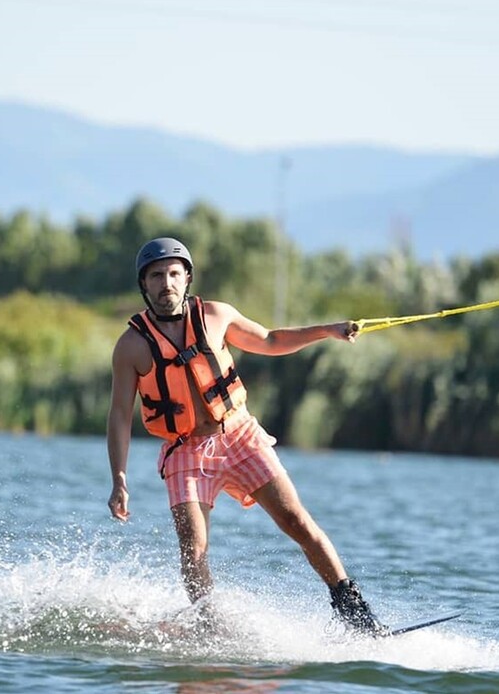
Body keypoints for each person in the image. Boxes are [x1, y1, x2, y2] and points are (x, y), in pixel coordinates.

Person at [106, 236, 388, 635]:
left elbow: (271, 340)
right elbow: (119, 415)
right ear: (144, 285)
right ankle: (211, 627)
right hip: (185, 451)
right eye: (156, 276)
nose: (166, 283)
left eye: (173, 274)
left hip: (239, 434)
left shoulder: (217, 316)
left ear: (186, 278)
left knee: (297, 522)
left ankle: (353, 612)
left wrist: (328, 330)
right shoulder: (131, 346)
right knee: (194, 550)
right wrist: (119, 478)